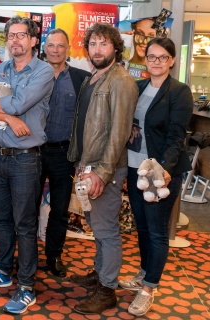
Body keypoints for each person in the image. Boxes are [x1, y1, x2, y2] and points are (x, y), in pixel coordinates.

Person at [0, 16, 53, 315]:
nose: (15, 40)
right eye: (10, 35)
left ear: (34, 40)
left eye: (21, 35)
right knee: (3, 220)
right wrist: (7, 117)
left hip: (25, 159)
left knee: (24, 224)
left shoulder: (43, 72)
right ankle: (3, 271)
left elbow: (18, 104)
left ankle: (27, 286)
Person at [67, 23, 138, 314]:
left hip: (104, 169)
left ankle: (107, 290)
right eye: (93, 43)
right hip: (89, 164)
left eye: (104, 44)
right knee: (97, 227)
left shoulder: (120, 80)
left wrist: (101, 172)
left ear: (115, 48)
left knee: (106, 231)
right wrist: (82, 165)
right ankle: (100, 273)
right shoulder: (93, 79)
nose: (97, 49)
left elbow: (119, 133)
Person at [118, 37, 193, 316]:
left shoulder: (179, 91)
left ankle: (149, 288)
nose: (157, 61)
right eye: (152, 57)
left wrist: (165, 170)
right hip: (136, 168)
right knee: (143, 228)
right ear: (145, 60)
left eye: (163, 57)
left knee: (158, 232)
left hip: (160, 172)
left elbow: (177, 137)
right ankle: (143, 273)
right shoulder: (138, 87)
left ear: (172, 60)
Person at [39, 28, 91, 278]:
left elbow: (87, 119)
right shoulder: (33, 74)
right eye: (51, 45)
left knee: (59, 209)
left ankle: (54, 256)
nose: (56, 50)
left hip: (63, 154)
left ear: (68, 49)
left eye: (61, 46)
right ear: (44, 48)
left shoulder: (82, 78)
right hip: (33, 152)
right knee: (26, 208)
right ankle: (25, 257)